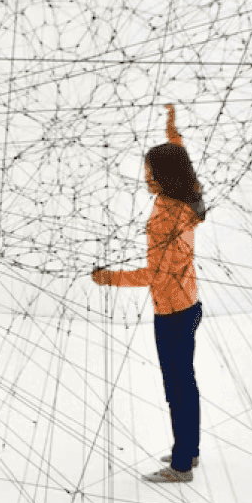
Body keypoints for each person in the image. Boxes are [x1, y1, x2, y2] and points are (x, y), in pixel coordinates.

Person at [91, 104, 206, 483]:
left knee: (178, 389)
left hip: (172, 312)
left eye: (151, 173)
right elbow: (182, 156)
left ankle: (181, 464)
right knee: (185, 383)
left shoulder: (166, 219)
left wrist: (109, 278)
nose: (146, 178)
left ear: (165, 176)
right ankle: (189, 450)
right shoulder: (189, 196)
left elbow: (154, 276)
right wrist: (172, 132)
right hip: (189, 304)